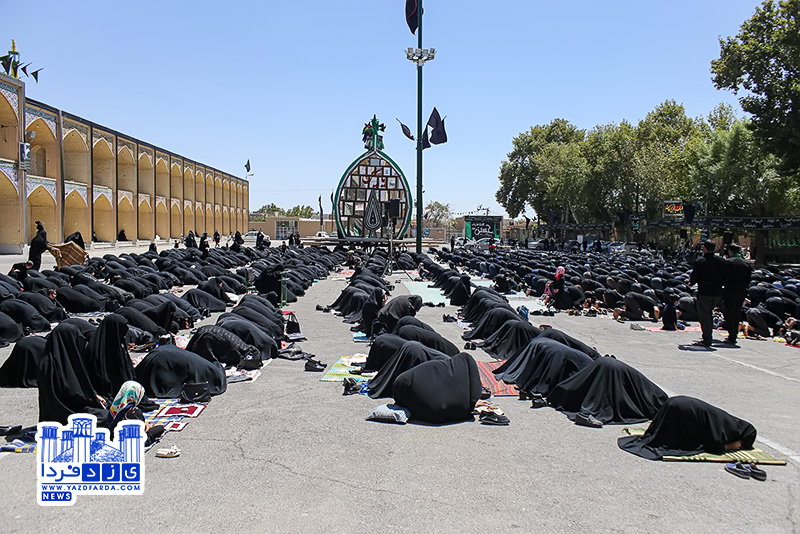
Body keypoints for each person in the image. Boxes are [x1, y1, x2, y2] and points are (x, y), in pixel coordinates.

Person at [689, 240, 728, 347]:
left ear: (705, 248)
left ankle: (707, 339)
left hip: (705, 293)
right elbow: (726, 276)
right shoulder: (721, 261)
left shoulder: (700, 261)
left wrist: (691, 283)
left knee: (705, 316)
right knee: (709, 314)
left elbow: (695, 275)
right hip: (718, 293)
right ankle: (707, 337)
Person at [722, 244, 753, 345]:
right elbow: (748, 279)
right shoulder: (746, 264)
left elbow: (724, 277)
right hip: (741, 291)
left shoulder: (728, 262)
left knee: (729, 312)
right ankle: (734, 333)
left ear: (730, 251)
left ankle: (732, 334)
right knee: (736, 311)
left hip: (730, 290)